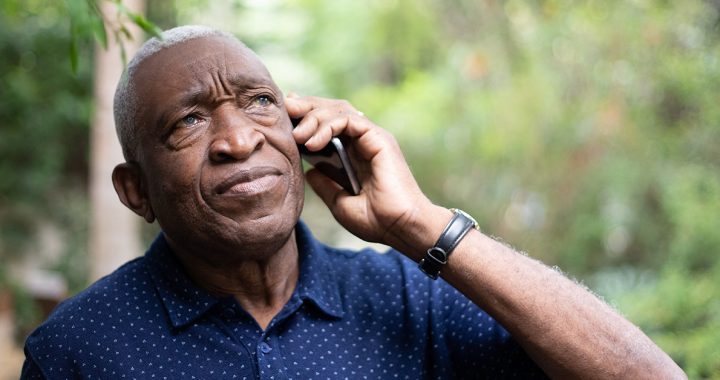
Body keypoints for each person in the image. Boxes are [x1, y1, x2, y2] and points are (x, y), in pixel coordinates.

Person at [21, 25, 684, 379]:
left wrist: (420, 225)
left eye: (259, 102)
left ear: (303, 133)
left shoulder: (413, 299)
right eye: (187, 123)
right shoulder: (78, 352)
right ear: (137, 192)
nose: (238, 140)